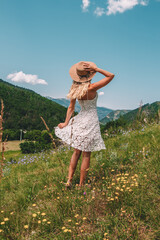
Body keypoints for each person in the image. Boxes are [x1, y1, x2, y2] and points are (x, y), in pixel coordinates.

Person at [54, 61, 115, 189]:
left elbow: (71, 107)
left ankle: (69, 181)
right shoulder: (92, 88)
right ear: (89, 75)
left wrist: (66, 123)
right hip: (91, 121)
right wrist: (96, 68)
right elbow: (111, 76)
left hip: (80, 119)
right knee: (86, 154)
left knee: (76, 152)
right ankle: (81, 185)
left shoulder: (75, 89)